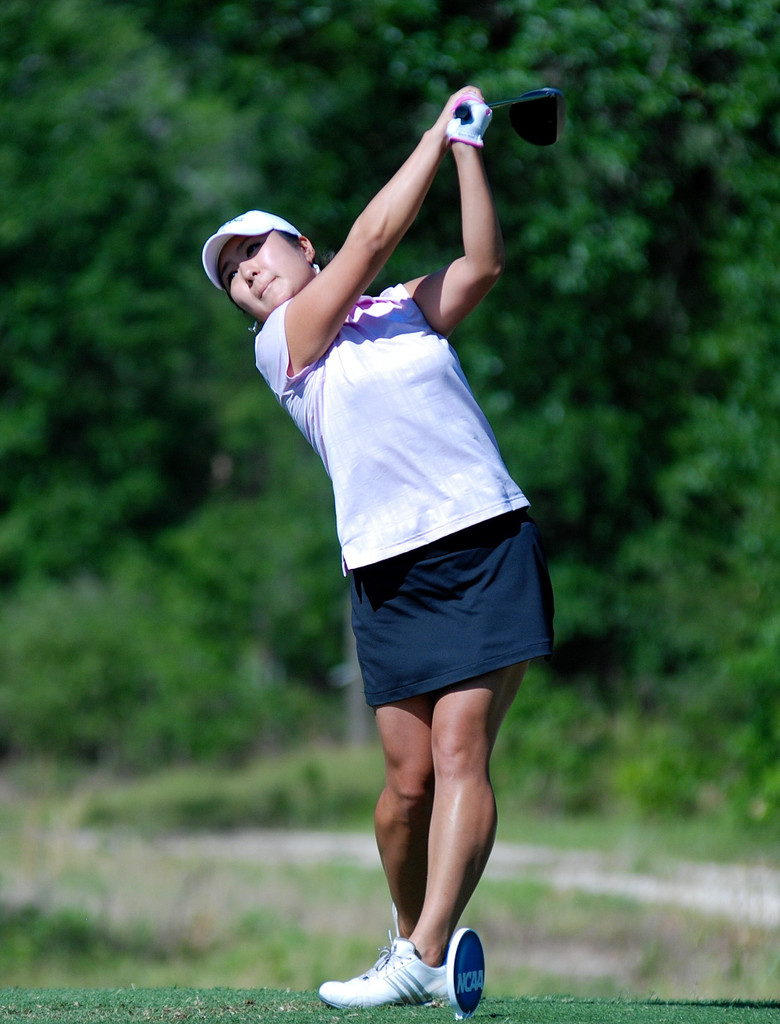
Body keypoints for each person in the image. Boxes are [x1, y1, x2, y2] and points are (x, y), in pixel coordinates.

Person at [201, 86, 554, 1010]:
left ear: (297, 246)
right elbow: (370, 241)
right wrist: (437, 132)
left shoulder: (401, 311)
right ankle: (414, 946)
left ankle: (423, 952)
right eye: (233, 275)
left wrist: (470, 149)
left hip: (483, 537)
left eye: (256, 252)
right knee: (404, 792)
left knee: (459, 751)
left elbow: (481, 263)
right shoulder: (283, 348)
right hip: (387, 570)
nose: (249, 274)